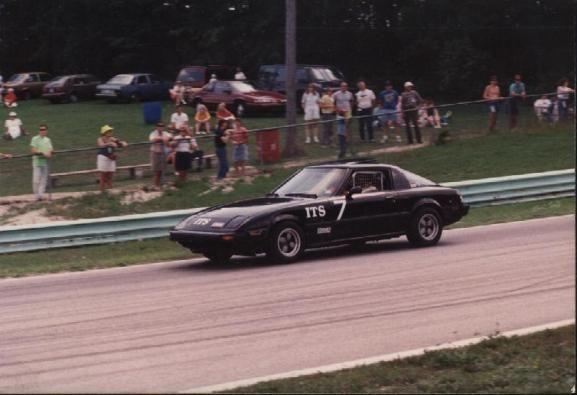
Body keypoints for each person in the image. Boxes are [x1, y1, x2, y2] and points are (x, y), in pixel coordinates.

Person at [97, 125, 126, 192]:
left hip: (111, 157)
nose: (111, 132)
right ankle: (102, 190)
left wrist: (122, 143)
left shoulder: (112, 138)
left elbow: (118, 143)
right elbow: (101, 145)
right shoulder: (100, 139)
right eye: (109, 131)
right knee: (103, 175)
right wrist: (109, 143)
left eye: (110, 131)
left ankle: (110, 189)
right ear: (104, 132)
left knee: (110, 174)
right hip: (103, 157)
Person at [30, 125, 53, 201]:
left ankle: (40, 195)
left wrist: (49, 152)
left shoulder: (48, 140)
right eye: (41, 129)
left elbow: (51, 149)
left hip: (45, 162)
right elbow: (33, 150)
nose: (42, 131)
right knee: (36, 180)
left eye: (44, 129)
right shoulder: (35, 139)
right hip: (37, 162)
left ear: (46, 131)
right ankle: (36, 196)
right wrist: (43, 153)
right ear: (39, 131)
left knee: (44, 180)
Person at [149, 122, 172, 189]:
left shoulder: (165, 133)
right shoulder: (153, 133)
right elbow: (152, 140)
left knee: (162, 169)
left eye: (162, 126)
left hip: (163, 153)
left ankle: (162, 184)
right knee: (156, 171)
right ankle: (156, 185)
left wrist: (167, 139)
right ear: (156, 127)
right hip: (155, 153)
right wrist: (162, 139)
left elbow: (171, 137)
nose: (160, 127)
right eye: (159, 126)